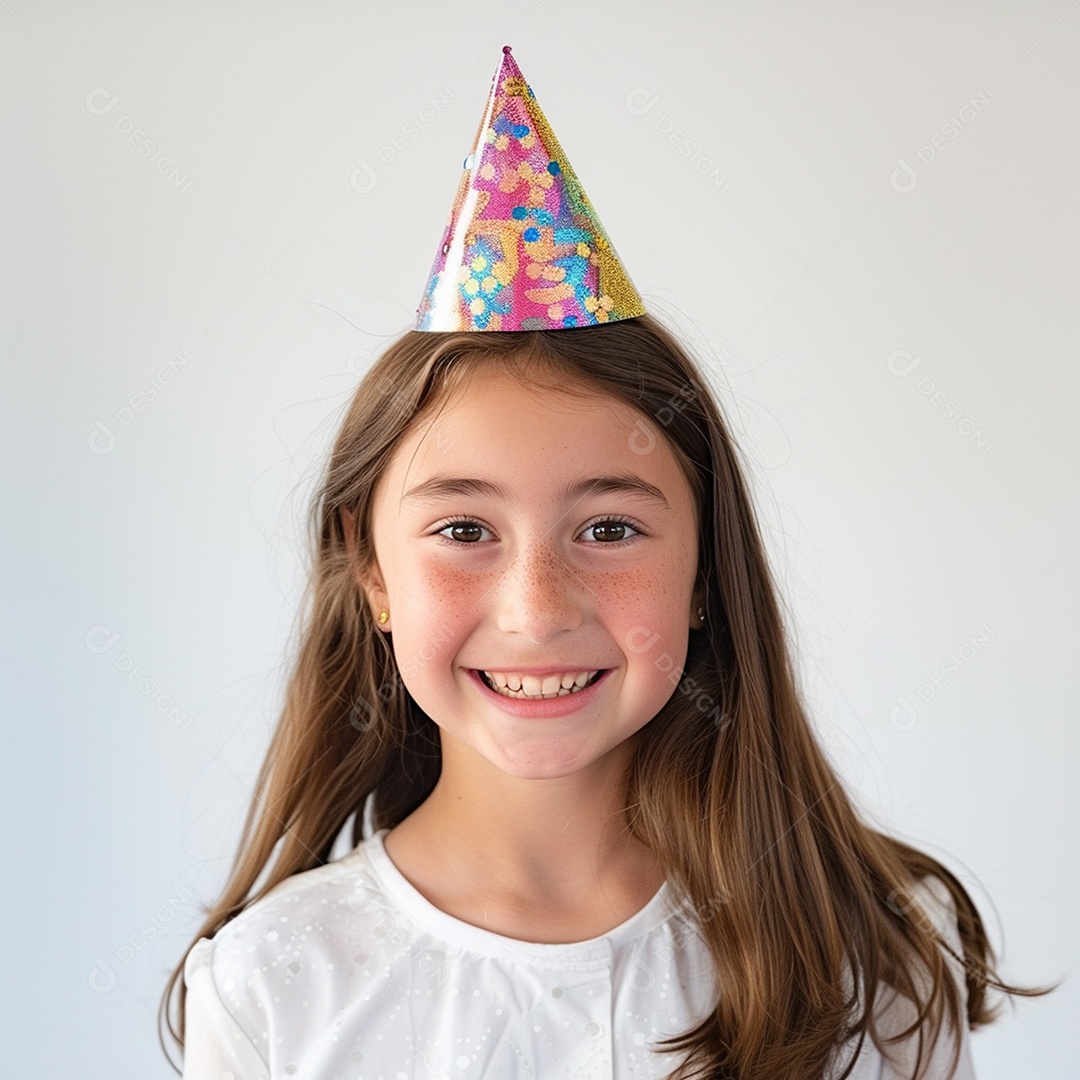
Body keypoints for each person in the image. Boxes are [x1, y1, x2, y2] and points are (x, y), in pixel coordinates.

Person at [160, 46, 1054, 1080]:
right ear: (370, 575)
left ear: (708, 570)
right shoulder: (277, 987)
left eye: (610, 530)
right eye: (463, 531)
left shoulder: (863, 959)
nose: (536, 611)